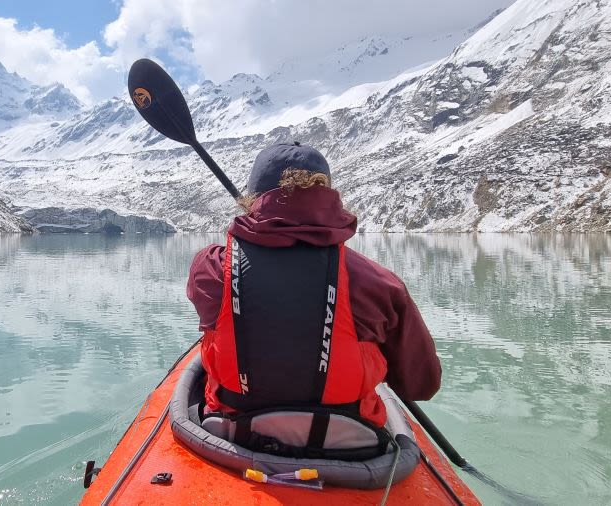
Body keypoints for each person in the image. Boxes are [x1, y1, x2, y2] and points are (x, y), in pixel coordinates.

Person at [186, 141, 441, 430]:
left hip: (233, 433)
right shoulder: (380, 283)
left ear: (252, 199)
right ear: (328, 196)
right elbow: (420, 386)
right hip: (351, 442)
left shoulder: (210, 268)